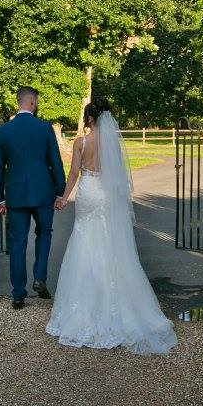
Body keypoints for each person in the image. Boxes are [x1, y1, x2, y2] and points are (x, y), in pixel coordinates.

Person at [46, 97, 177, 354]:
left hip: (87, 193)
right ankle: (119, 306)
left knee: (83, 238)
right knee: (108, 242)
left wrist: (63, 198)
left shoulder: (81, 142)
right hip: (105, 195)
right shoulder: (111, 143)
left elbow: (73, 173)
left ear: (90, 118)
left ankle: (84, 308)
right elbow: (116, 176)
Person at [0, 86, 66, 310]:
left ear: (19, 102)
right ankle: (39, 278)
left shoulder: (3, 131)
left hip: (15, 195)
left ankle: (17, 295)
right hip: (43, 192)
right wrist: (60, 191)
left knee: (17, 243)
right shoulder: (44, 128)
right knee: (44, 233)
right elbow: (55, 161)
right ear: (32, 102)